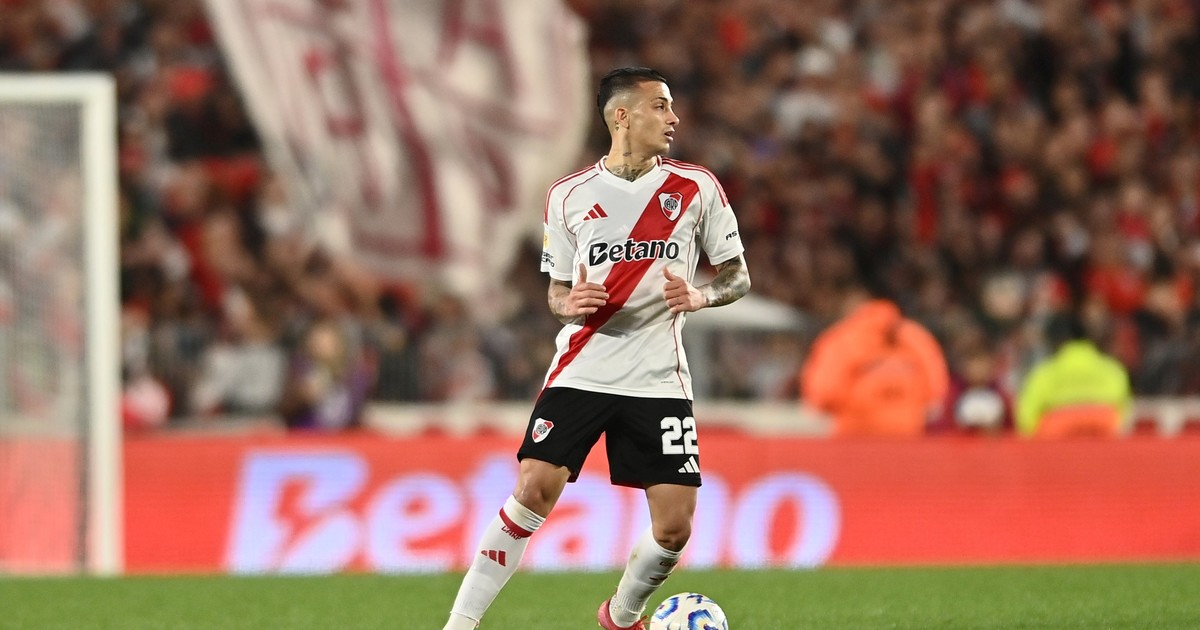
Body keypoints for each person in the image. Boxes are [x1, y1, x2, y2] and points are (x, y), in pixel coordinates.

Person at [442, 67, 751, 630]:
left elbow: (737, 276)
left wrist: (701, 296)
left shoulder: (697, 187)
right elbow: (556, 291)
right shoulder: (568, 196)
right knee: (533, 489)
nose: (674, 117)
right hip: (583, 368)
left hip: (658, 376)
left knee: (674, 528)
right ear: (622, 116)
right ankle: (459, 626)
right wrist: (569, 302)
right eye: (661, 106)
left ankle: (621, 615)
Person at [800, 284, 949, 437]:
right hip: (906, 435)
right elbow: (936, 391)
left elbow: (825, 391)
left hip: (853, 436)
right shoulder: (916, 337)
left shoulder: (840, 339)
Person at [1016, 314, 1132, 438]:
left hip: (1057, 429)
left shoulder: (1045, 372)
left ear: (1056, 341)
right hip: (1105, 425)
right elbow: (1125, 413)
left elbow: (1026, 417)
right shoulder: (1113, 369)